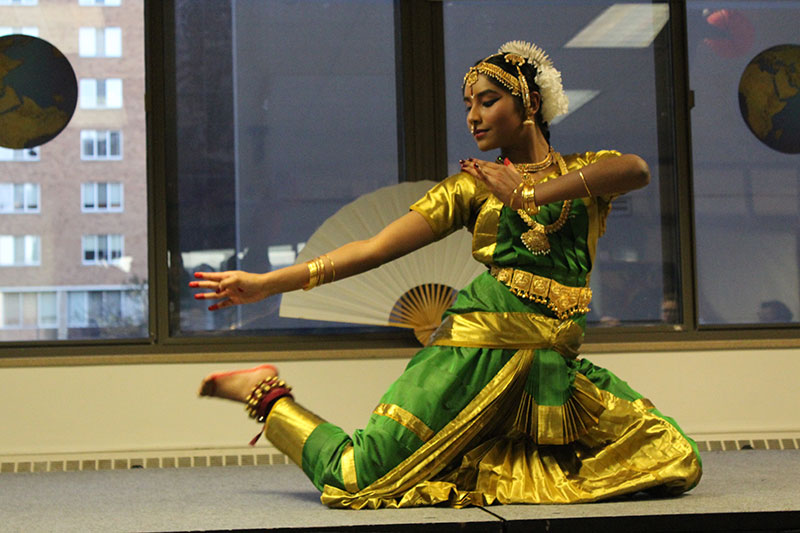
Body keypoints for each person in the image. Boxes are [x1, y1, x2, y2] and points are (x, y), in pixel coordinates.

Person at [191, 40, 702, 509]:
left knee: (673, 457)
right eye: (467, 107)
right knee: (354, 479)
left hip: (551, 368)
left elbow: (635, 169)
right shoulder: (469, 188)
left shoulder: (583, 172)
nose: (473, 117)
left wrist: (526, 194)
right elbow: (372, 249)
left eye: (485, 101)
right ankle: (267, 396)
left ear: (527, 104)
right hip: (471, 356)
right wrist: (265, 282)